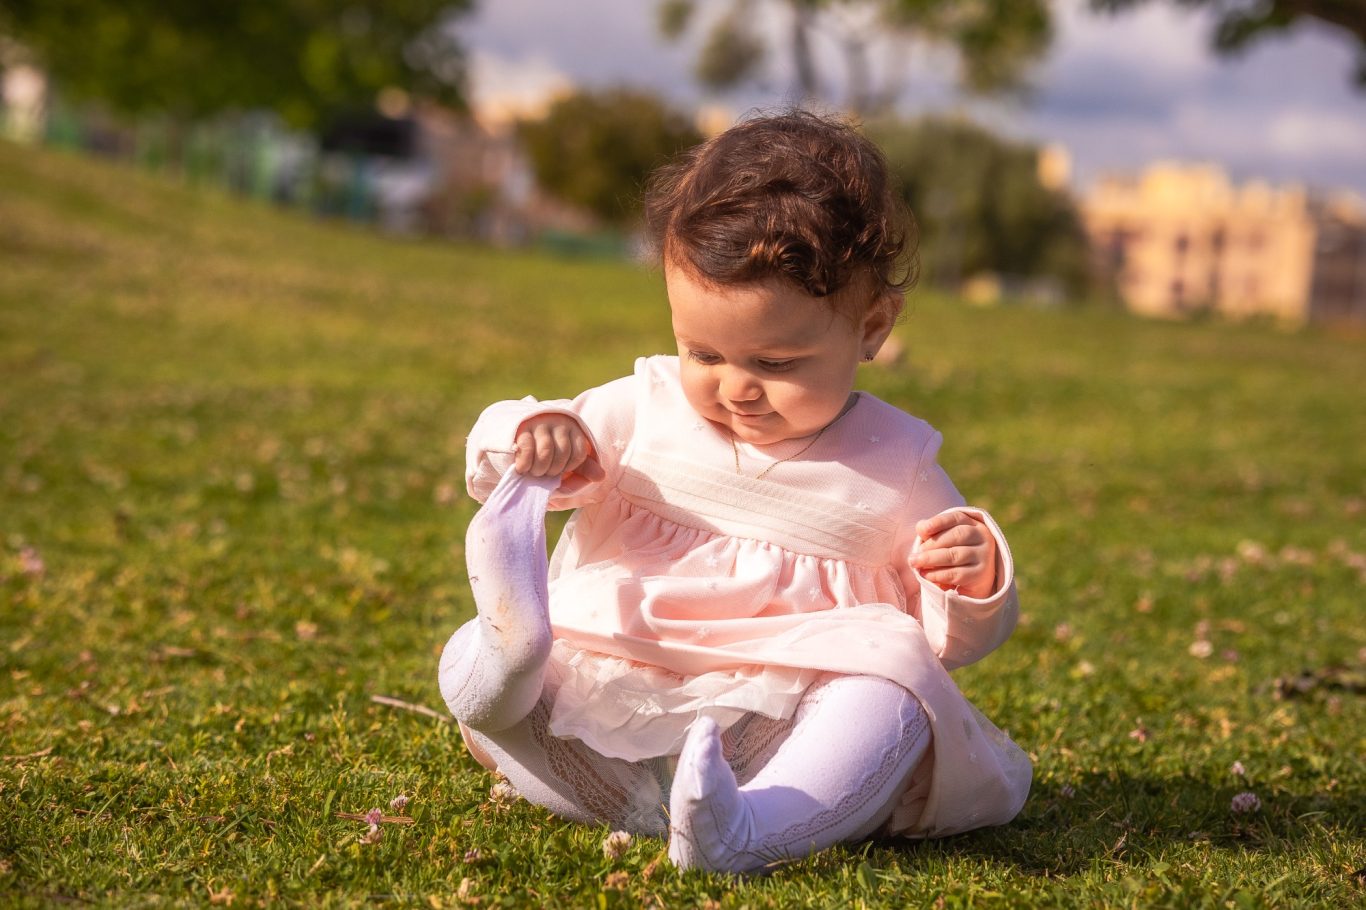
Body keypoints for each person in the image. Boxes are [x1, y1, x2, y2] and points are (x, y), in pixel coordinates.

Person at [439, 110, 1031, 875]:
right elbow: (491, 458)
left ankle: (751, 829)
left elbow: (951, 643)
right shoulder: (646, 407)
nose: (736, 388)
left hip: (778, 736)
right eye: (704, 352)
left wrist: (974, 582)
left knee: (893, 696)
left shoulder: (896, 464)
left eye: (778, 362)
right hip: (610, 695)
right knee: (491, 658)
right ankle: (505, 666)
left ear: (873, 326)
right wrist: (538, 436)